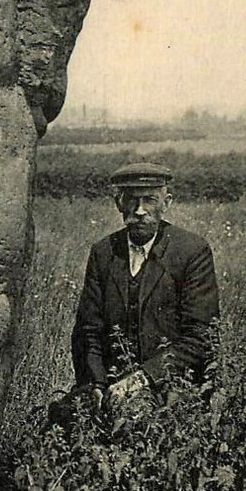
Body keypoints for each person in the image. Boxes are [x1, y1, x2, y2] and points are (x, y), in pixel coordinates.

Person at [71, 162, 219, 404]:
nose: (140, 210)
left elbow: (200, 337)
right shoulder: (103, 252)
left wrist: (141, 379)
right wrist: (95, 384)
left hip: (172, 384)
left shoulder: (192, 251)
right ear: (118, 203)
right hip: (110, 385)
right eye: (131, 200)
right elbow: (88, 331)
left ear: (167, 203)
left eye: (149, 200)